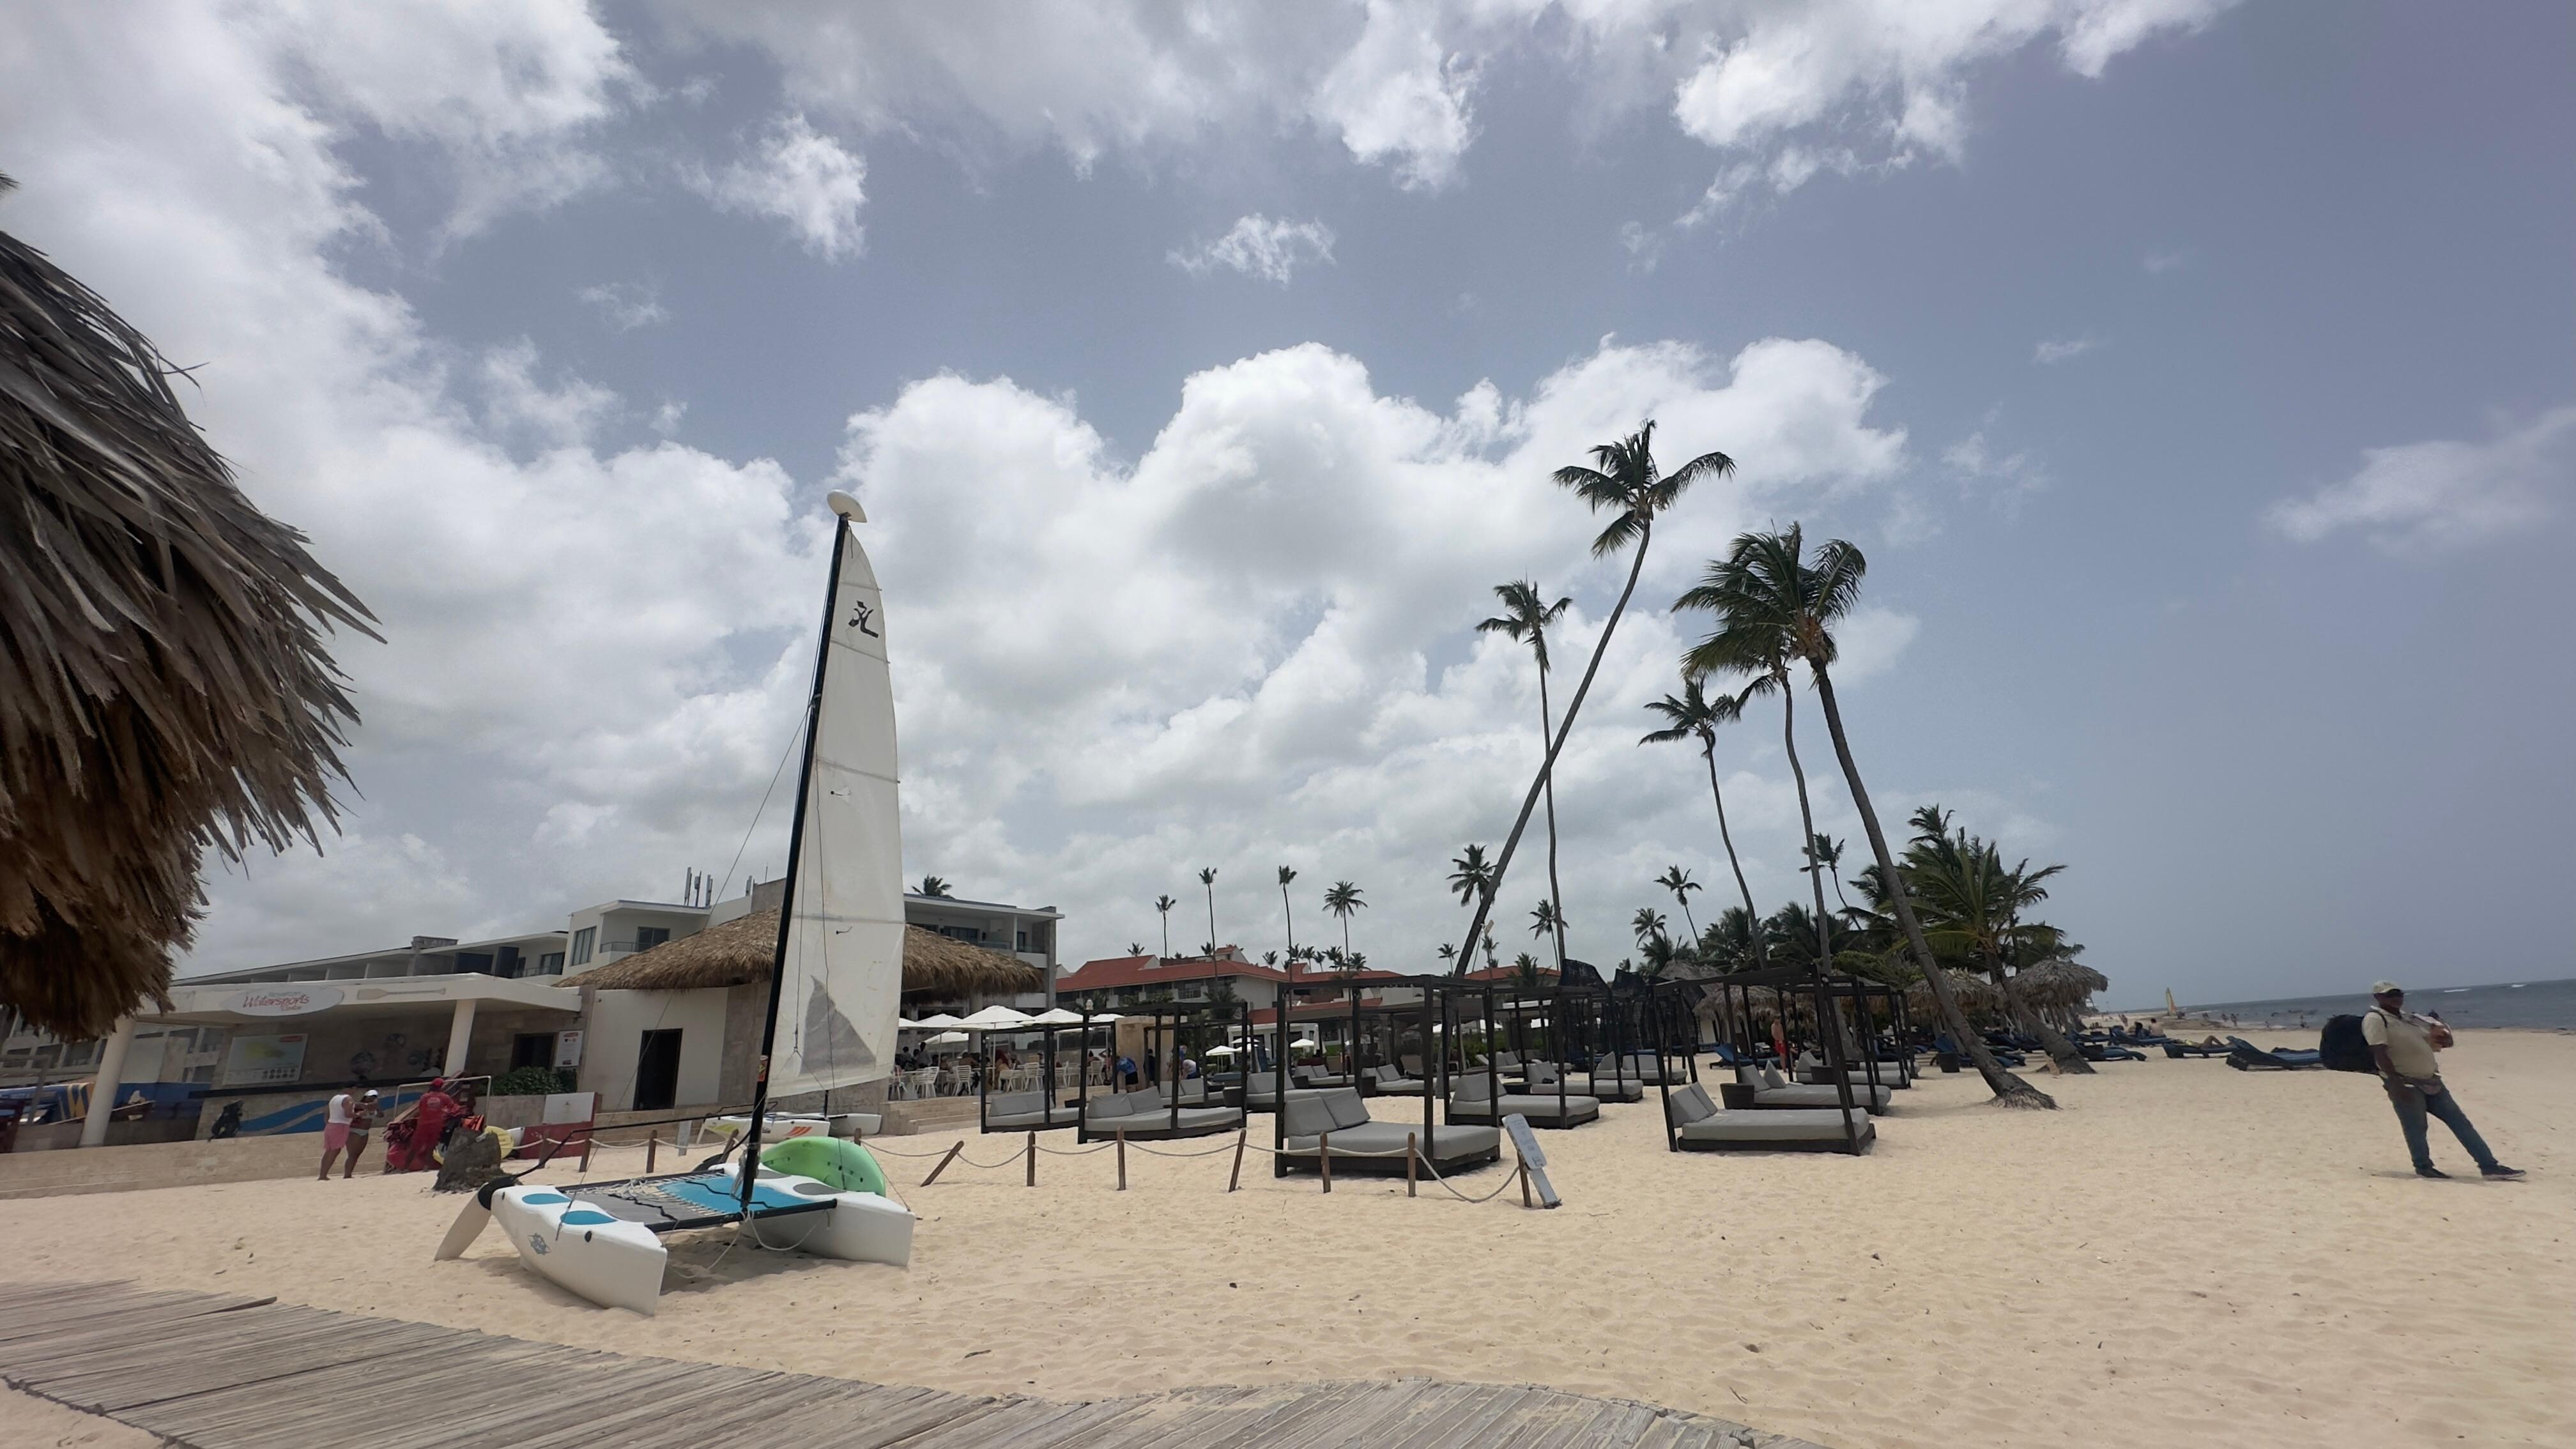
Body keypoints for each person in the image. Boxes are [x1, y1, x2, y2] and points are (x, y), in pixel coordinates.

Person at [2363, 981, 2520, 1181]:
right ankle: (2424, 1167)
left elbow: (2431, 1041)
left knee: (2460, 1123)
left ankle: (2489, 1166)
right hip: (2406, 1084)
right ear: (2378, 998)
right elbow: (2378, 1051)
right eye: (2390, 995)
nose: (2396, 998)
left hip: (2432, 1081)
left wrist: (2444, 1038)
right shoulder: (2375, 1019)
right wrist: (2395, 1083)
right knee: (2416, 1128)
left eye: (2398, 994)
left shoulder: (2408, 1018)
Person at [318, 1087, 378, 1179]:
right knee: (338, 1151)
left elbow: (328, 1113)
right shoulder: (349, 1101)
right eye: (371, 1097)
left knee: (349, 1153)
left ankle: (326, 1175)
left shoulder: (337, 1099)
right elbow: (349, 1114)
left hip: (340, 1126)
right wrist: (360, 1114)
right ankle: (328, 1175)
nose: (372, 1098)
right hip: (349, 1128)